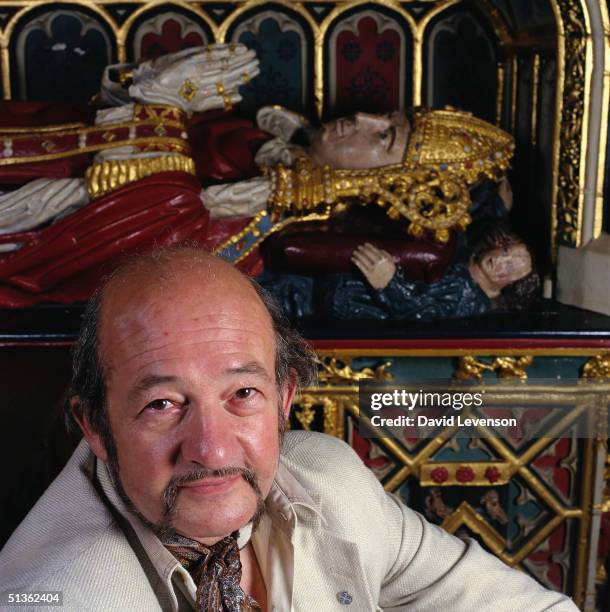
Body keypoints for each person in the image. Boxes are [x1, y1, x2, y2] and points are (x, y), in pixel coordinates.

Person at [0, 247, 576, 610]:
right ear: (95, 427)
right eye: (163, 404)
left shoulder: (330, 477)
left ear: (284, 400)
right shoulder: (51, 597)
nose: (212, 449)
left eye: (243, 394)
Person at [0, 46, 513, 307]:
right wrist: (156, 91)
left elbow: (161, 237)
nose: (363, 119)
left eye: (385, 137)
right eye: (385, 117)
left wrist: (158, 106)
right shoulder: (261, 146)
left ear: (391, 184)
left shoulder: (282, 225)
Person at [260, 225, 539, 320]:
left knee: (262, 303)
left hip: (330, 303)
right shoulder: (461, 252)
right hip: (327, 275)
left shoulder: (468, 299)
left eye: (511, 267)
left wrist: (389, 283)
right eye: (506, 252)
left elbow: (419, 313)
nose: (502, 262)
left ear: (510, 284)